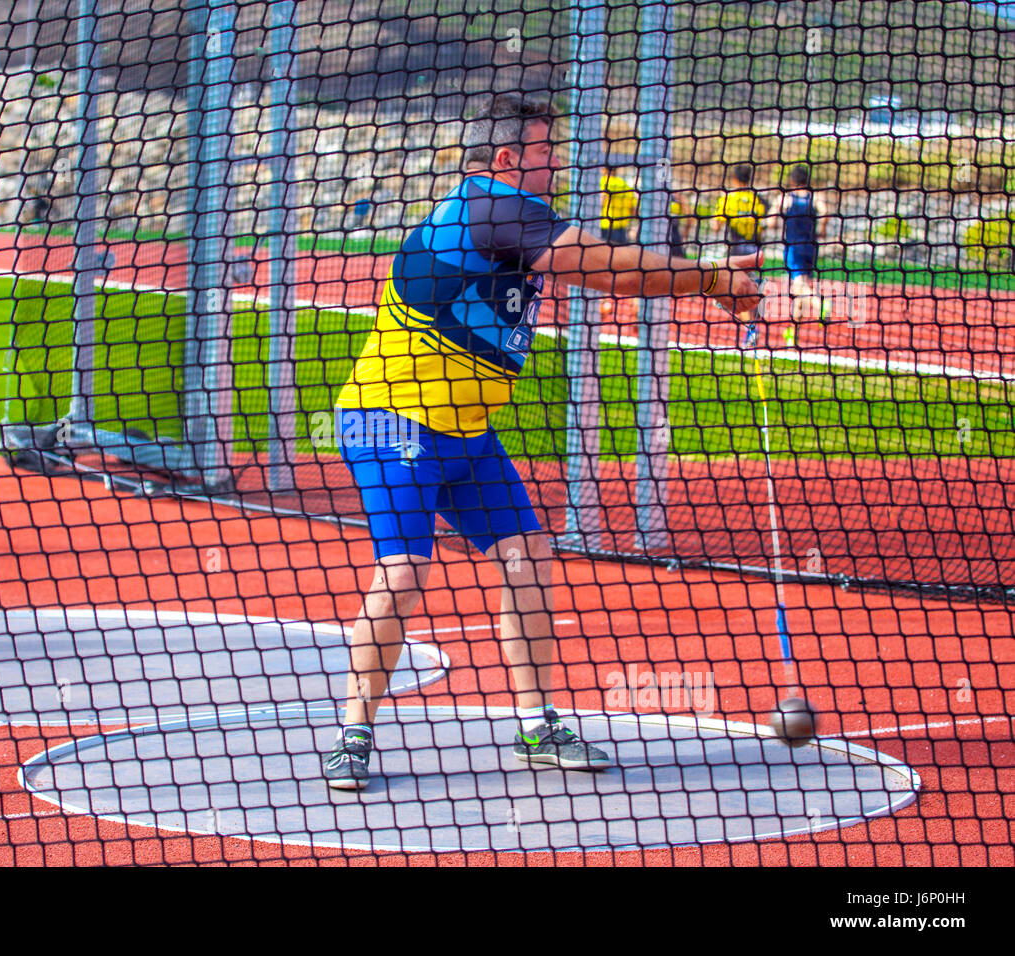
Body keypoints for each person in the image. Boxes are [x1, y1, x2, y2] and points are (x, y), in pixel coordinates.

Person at [324, 93, 761, 790]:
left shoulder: (505, 215)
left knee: (528, 558)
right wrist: (709, 278)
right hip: (390, 421)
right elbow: (609, 269)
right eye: (543, 153)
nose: (553, 165)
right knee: (404, 573)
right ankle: (353, 733)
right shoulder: (494, 207)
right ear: (507, 160)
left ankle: (536, 724)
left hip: (464, 432)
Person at [713, 164, 769, 326]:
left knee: (737, 291)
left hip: (736, 251)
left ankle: (750, 329)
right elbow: (765, 224)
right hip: (755, 250)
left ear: (734, 179)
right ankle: (754, 324)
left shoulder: (728, 199)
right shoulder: (757, 199)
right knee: (752, 289)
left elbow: (716, 226)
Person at [775, 164, 826, 330]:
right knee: (800, 286)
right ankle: (793, 334)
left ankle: (819, 304)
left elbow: (772, 218)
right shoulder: (814, 197)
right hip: (810, 247)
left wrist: (771, 224)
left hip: (793, 247)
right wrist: (821, 230)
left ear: (792, 180)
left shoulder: (787, 197)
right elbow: (825, 213)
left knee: (799, 286)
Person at [599, 161, 638, 245]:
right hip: (622, 228)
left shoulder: (603, 181)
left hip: (606, 226)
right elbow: (634, 210)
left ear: (604, 169)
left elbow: (601, 201)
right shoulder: (625, 185)